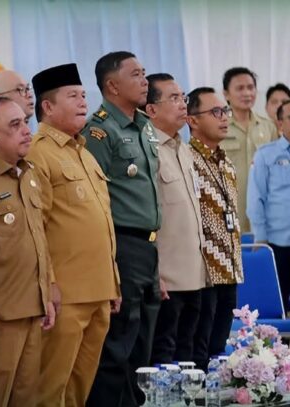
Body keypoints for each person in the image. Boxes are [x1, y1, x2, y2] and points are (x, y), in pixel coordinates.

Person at [26, 63, 121, 407]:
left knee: (80, 389)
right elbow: (36, 227)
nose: (83, 102)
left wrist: (113, 280)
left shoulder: (83, 151)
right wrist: (48, 283)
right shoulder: (38, 153)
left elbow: (101, 222)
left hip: (98, 289)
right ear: (48, 106)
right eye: (73, 96)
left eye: (83, 95)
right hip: (65, 294)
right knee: (52, 387)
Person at [81, 51, 161, 407]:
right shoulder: (100, 131)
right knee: (118, 344)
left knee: (142, 344)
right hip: (121, 246)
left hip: (148, 247)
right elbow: (94, 200)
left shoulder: (144, 124)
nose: (145, 81)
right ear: (112, 86)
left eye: (144, 73)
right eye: (136, 75)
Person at [0, 97, 56, 406]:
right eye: (15, 125)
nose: (26, 130)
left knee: (26, 395)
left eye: (25, 123)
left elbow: (39, 237)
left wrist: (48, 289)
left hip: (33, 304)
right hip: (0, 312)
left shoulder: (28, 173)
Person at [145, 73, 207, 365]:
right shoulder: (147, 150)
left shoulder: (183, 148)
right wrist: (154, 271)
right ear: (151, 109)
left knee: (189, 356)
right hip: (167, 279)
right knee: (163, 356)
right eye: (173, 98)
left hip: (195, 274)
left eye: (183, 97)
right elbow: (147, 218)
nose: (183, 104)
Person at [186, 87, 244, 370]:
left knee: (219, 349)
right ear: (192, 120)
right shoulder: (186, 159)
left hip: (229, 267)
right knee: (199, 349)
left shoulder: (226, 162)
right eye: (216, 112)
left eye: (226, 111)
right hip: (203, 271)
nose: (224, 118)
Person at [247, 100, 290, 311]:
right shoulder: (266, 154)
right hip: (278, 240)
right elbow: (256, 198)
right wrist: (260, 237)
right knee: (279, 301)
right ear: (280, 123)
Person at [221, 67, 279, 231]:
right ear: (226, 94)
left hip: (263, 207)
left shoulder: (268, 127)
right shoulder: (219, 127)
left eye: (250, 87)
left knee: (261, 246)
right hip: (229, 206)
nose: (247, 93)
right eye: (240, 88)